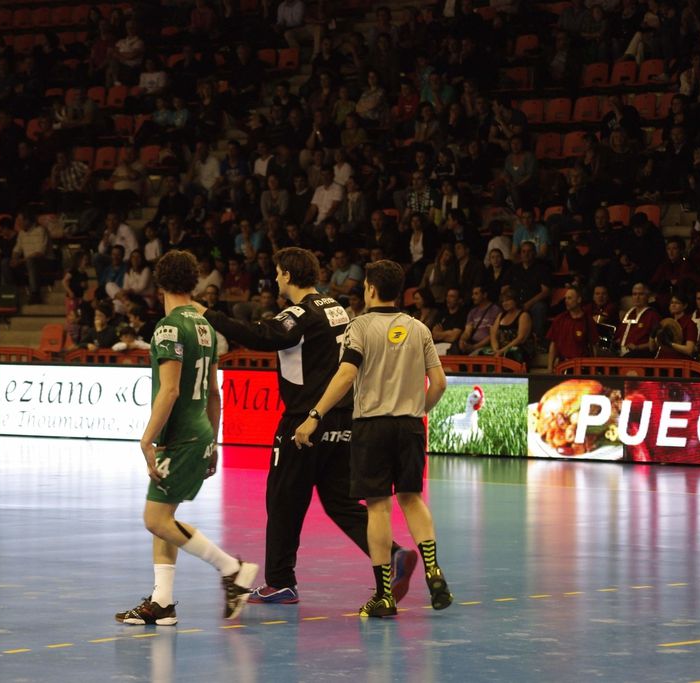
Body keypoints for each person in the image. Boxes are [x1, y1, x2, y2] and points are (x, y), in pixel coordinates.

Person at [192, 247, 417, 605]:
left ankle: (280, 581)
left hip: (305, 422)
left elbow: (261, 337)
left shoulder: (299, 312)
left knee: (282, 499)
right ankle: (392, 553)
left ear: (287, 274)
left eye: (279, 273)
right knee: (341, 502)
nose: (277, 278)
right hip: (342, 418)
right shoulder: (335, 307)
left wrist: (207, 314)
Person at [293, 260, 451, 618]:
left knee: (379, 507)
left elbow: (347, 373)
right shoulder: (419, 328)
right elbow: (439, 383)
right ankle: (433, 569)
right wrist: (418, 410)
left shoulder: (359, 326)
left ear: (371, 290)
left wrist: (314, 416)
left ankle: (384, 595)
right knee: (412, 499)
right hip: (410, 425)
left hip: (371, 427)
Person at [116, 250, 257, 626]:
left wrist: (146, 440)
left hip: (180, 437)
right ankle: (162, 602)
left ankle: (233, 569)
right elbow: (214, 392)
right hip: (199, 432)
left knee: (155, 519)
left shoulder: (168, 327)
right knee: (165, 514)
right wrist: (215, 442)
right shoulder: (205, 327)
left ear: (159, 284)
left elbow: (171, 390)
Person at [546, 288, 597, 372]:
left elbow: (593, 345)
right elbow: (553, 344)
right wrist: (550, 367)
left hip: (582, 367)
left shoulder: (588, 320)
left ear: (579, 300)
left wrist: (594, 368)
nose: (566, 301)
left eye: (569, 298)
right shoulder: (559, 319)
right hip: (563, 365)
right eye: (565, 298)